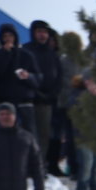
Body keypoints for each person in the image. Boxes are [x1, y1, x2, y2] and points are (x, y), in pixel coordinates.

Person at [0, 23, 40, 136]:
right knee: (3, 135)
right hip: (3, 101)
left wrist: (28, 76)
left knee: (28, 135)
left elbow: (38, 78)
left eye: (10, 36)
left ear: (15, 37)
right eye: (5, 36)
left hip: (24, 101)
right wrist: (5, 54)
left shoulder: (27, 55)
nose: (8, 39)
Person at [24, 20, 62, 165]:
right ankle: (27, 165)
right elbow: (23, 74)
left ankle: (39, 165)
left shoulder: (52, 54)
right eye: (39, 32)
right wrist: (36, 92)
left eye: (45, 32)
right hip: (28, 100)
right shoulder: (26, 50)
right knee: (27, 135)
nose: (42, 35)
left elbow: (59, 77)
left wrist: (51, 95)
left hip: (47, 102)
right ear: (33, 33)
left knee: (44, 135)